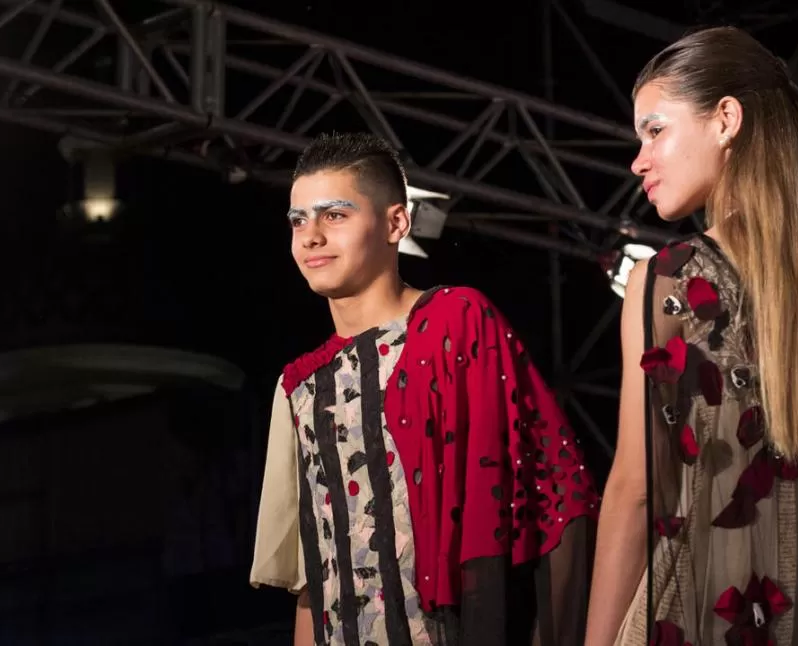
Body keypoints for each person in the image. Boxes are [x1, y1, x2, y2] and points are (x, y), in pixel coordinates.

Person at [585, 27, 798, 646]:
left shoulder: (668, 281)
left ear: (726, 119)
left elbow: (636, 491)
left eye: (655, 130)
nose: (638, 160)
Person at [250, 132, 599, 645]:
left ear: (397, 223)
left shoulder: (455, 322)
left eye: (335, 215)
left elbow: (560, 497)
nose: (311, 236)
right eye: (298, 220)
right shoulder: (298, 385)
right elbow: (314, 577)